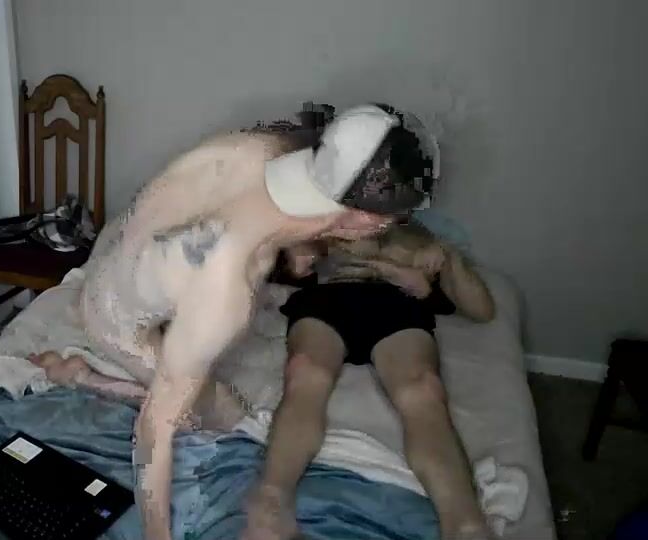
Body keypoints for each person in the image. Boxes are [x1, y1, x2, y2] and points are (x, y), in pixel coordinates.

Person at [30, 104, 441, 540]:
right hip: (112, 318)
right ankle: (79, 375)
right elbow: (154, 430)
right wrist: (157, 535)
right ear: (366, 221)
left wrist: (303, 246)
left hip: (115, 254)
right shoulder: (225, 290)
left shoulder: (265, 146)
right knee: (218, 416)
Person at [242, 221, 497, 540]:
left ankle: (465, 523)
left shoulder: (420, 238)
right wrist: (300, 246)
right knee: (306, 372)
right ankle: (272, 498)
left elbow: (483, 310)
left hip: (396, 304)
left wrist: (448, 258)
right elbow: (275, 263)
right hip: (329, 299)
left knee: (422, 389)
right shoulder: (328, 225)